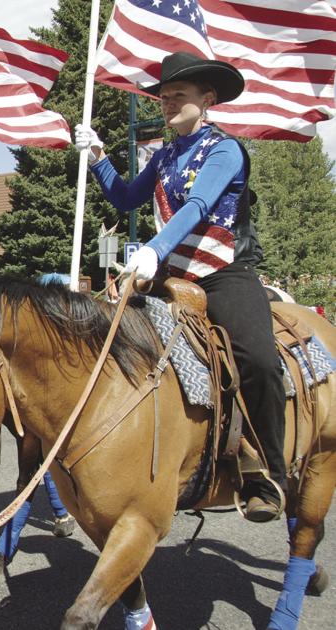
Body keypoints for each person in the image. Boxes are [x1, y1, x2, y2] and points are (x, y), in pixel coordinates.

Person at [75, 51, 285, 523]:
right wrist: (99, 158)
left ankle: (268, 472)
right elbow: (127, 196)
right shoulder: (166, 154)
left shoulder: (225, 149)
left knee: (259, 360)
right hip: (170, 275)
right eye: (164, 97)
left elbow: (197, 205)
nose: (167, 103)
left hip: (221, 273)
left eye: (178, 96)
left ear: (207, 99)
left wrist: (151, 248)